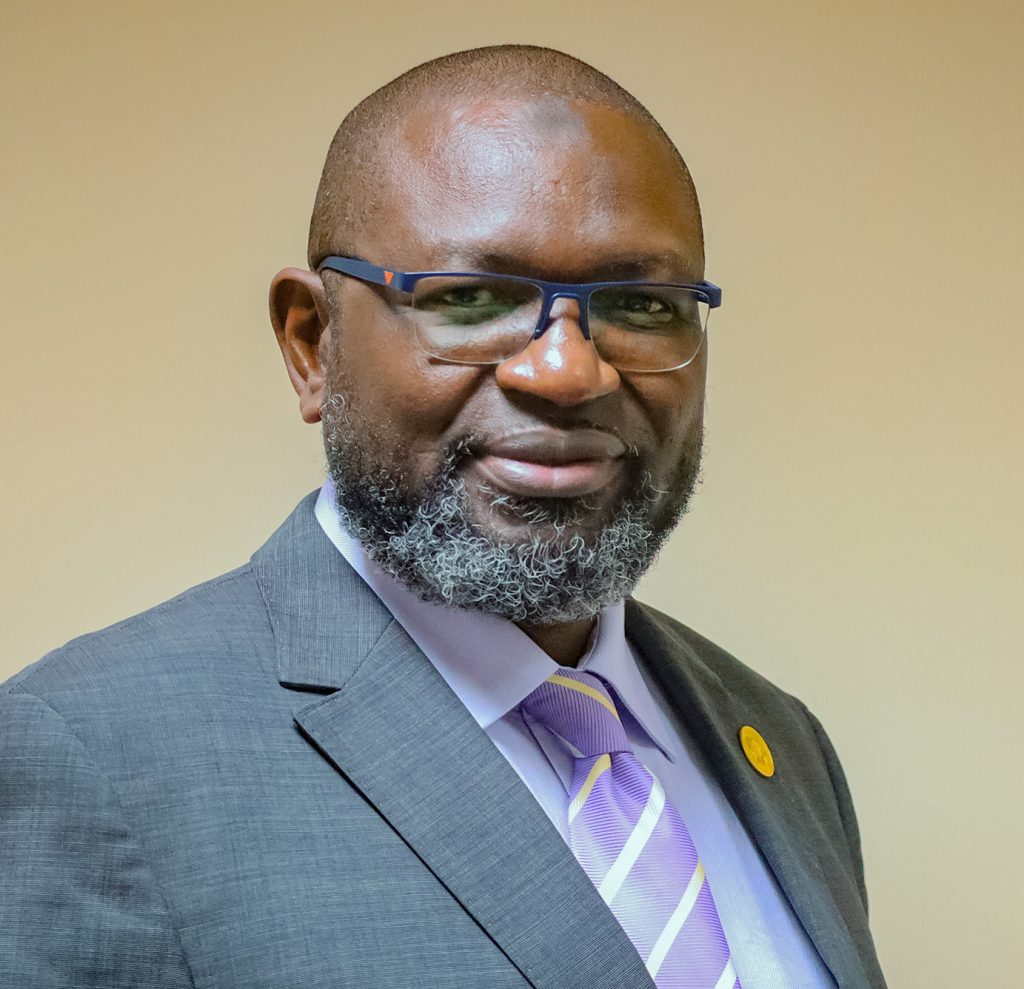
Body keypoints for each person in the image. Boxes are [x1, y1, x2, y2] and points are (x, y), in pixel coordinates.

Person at [0, 45, 886, 989]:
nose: (567, 370)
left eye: (639, 303)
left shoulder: (780, 740)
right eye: (470, 300)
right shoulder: (92, 756)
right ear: (312, 343)